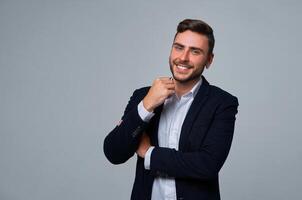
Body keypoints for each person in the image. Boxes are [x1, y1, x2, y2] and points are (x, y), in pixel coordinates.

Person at [103, 19, 239, 200]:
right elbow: (114, 153)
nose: (183, 58)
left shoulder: (222, 103)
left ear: (209, 60)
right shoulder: (143, 96)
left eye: (195, 51)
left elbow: (207, 165)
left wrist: (148, 153)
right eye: (178, 47)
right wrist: (146, 106)